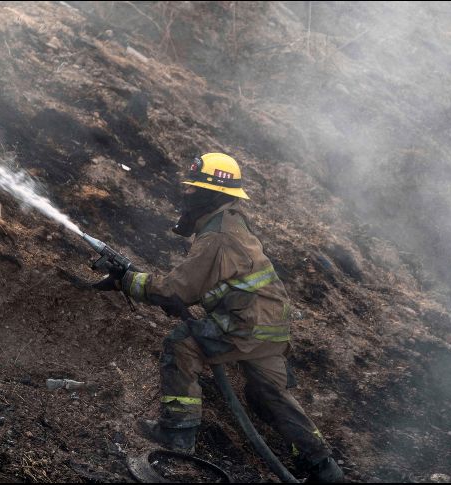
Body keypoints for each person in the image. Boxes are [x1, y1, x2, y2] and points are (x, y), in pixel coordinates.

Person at [93, 153, 344, 482]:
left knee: (181, 344)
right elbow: (189, 289)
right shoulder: (229, 222)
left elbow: (175, 291)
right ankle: (323, 465)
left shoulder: (218, 237)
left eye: (195, 190)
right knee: (268, 393)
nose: (188, 195)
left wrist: (127, 280)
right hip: (270, 324)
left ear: (213, 194)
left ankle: (176, 434)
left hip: (246, 325)